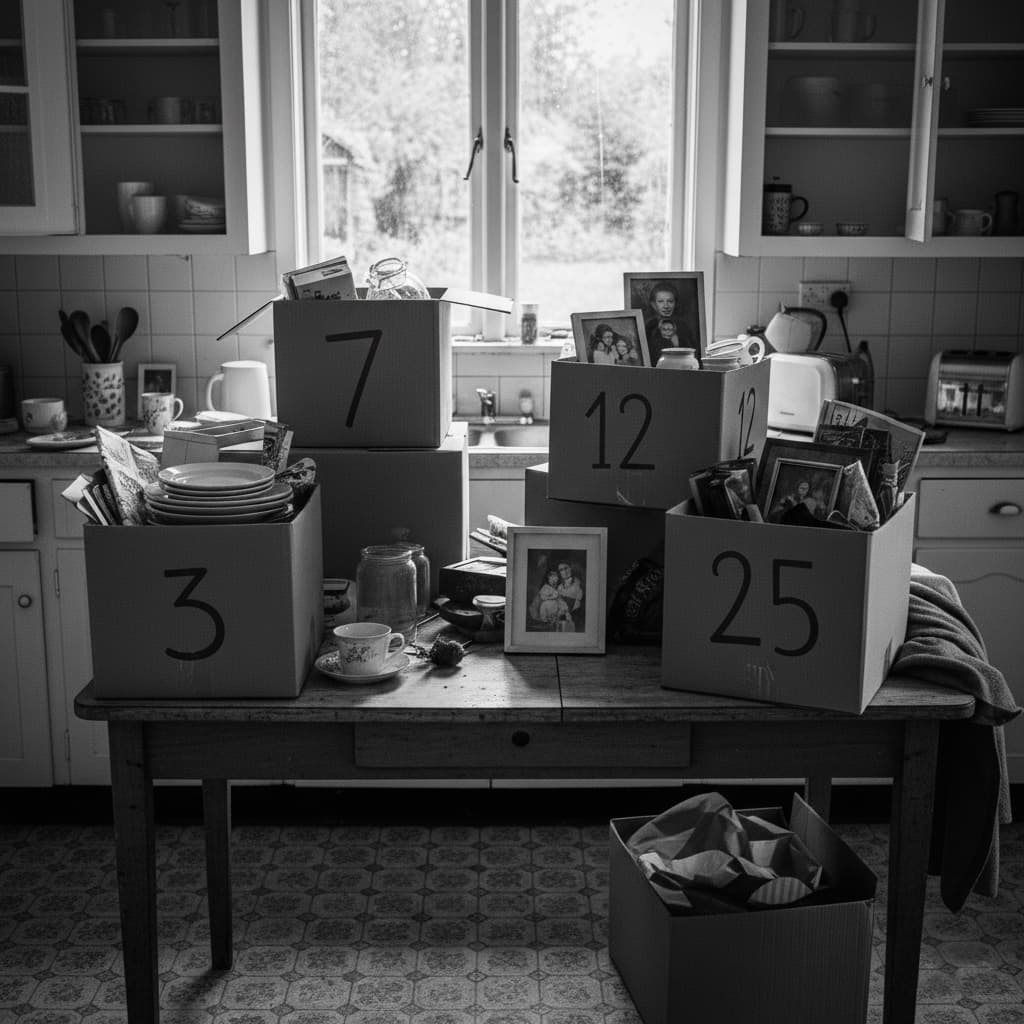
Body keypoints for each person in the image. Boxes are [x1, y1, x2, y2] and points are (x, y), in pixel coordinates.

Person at [556, 560, 585, 630]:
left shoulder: (578, 583)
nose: (564, 572)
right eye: (561, 570)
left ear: (570, 568)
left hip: (576, 615)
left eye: (566, 568)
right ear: (560, 573)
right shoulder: (559, 587)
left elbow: (578, 602)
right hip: (562, 615)